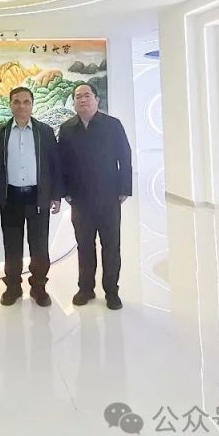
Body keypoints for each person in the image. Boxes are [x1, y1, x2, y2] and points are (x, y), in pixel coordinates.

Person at [57, 82, 133, 310]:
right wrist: (65, 191)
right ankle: (86, 288)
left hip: (109, 197)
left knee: (111, 246)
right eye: (78, 96)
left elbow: (125, 157)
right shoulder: (67, 128)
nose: (82, 99)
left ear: (96, 100)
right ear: (74, 102)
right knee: (84, 245)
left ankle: (112, 291)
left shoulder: (112, 125)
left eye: (87, 95)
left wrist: (124, 188)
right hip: (80, 199)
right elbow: (61, 163)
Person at [0, 86, 62, 307]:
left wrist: (56, 195)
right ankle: (13, 287)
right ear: (10, 104)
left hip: (37, 197)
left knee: (39, 247)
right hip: (10, 197)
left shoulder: (44, 131)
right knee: (12, 246)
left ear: (32, 104)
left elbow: (55, 165)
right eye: (17, 102)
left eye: (26, 101)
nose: (21, 106)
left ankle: (38, 287)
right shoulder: (0, 132)